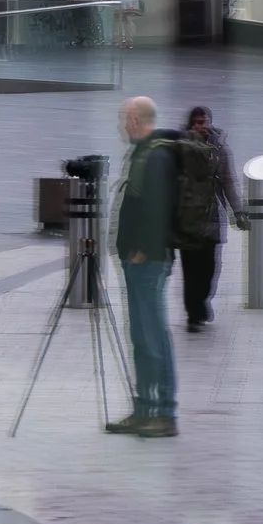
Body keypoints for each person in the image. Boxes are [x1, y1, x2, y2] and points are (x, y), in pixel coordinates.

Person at [109, 95, 180, 437]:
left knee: (152, 337)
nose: (123, 125)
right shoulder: (143, 152)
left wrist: (142, 251)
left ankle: (163, 413)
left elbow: (158, 208)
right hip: (138, 260)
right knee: (141, 336)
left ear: (137, 119)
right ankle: (144, 408)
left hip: (148, 262)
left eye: (125, 118)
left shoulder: (156, 156)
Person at [176, 106, 246, 334]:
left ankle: (202, 302)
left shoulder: (219, 149)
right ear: (190, 124)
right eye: (197, 122)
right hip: (187, 219)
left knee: (209, 268)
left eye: (205, 121)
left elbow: (228, 182)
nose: (202, 126)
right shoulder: (180, 149)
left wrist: (238, 211)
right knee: (190, 270)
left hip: (211, 217)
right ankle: (193, 314)